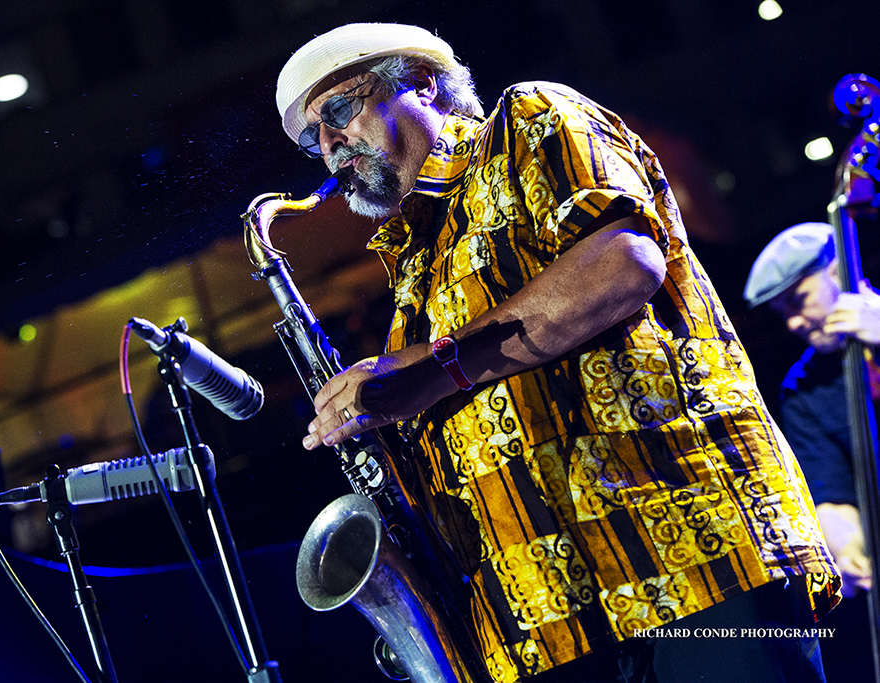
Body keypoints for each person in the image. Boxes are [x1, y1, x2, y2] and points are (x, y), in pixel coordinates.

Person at [275, 23, 839, 682]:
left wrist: (436, 367)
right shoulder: (410, 264)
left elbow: (623, 265)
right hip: (552, 624)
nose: (330, 144)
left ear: (421, 83)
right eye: (315, 136)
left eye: (339, 110)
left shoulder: (527, 121)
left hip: (694, 561)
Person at [745, 221, 877, 682]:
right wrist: (847, 545)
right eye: (784, 314)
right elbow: (829, 488)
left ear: (838, 272)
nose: (795, 323)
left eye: (799, 302)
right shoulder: (802, 389)